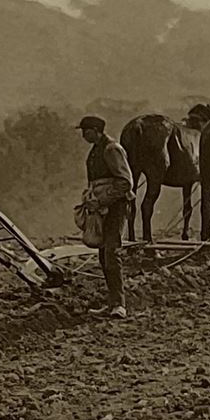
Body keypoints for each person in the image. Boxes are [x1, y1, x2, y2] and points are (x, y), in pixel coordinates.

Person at [76, 115, 134, 318]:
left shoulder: (111, 149)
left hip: (116, 208)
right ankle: (111, 303)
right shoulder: (96, 150)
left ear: (95, 130)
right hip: (102, 208)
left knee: (111, 252)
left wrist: (102, 200)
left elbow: (125, 182)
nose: (83, 135)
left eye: (86, 131)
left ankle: (119, 305)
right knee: (104, 255)